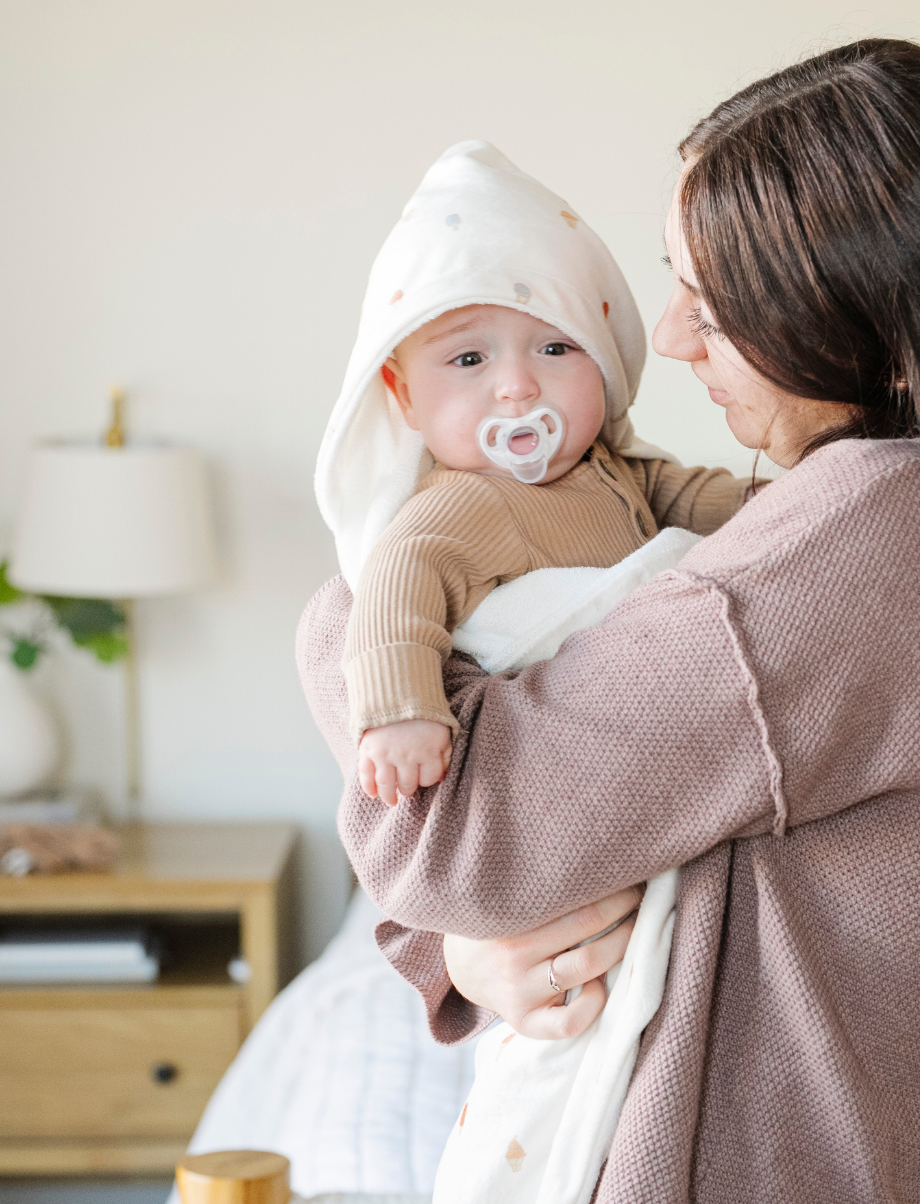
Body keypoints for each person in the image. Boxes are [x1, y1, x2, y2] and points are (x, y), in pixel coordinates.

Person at [299, 37, 920, 1204]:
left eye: (715, 301)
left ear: (865, 313)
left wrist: (356, 598)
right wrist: (464, 952)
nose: (669, 339)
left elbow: (449, 833)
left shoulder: (848, 553)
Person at [316, 141, 746, 805]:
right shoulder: (466, 501)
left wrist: (787, 497)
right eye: (468, 360)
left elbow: (695, 497)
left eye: (554, 347)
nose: (517, 386)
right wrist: (400, 711)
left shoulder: (611, 468)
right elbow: (399, 583)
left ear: (603, 362)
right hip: (566, 762)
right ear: (404, 397)